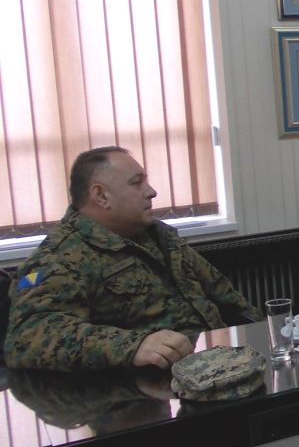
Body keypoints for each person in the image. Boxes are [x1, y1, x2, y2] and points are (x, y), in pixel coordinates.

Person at [4, 147, 261, 372]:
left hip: (218, 365)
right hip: (146, 390)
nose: (151, 191)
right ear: (101, 195)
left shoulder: (157, 235)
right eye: (137, 183)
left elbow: (224, 294)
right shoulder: (59, 258)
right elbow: (26, 339)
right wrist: (132, 346)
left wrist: (265, 334)